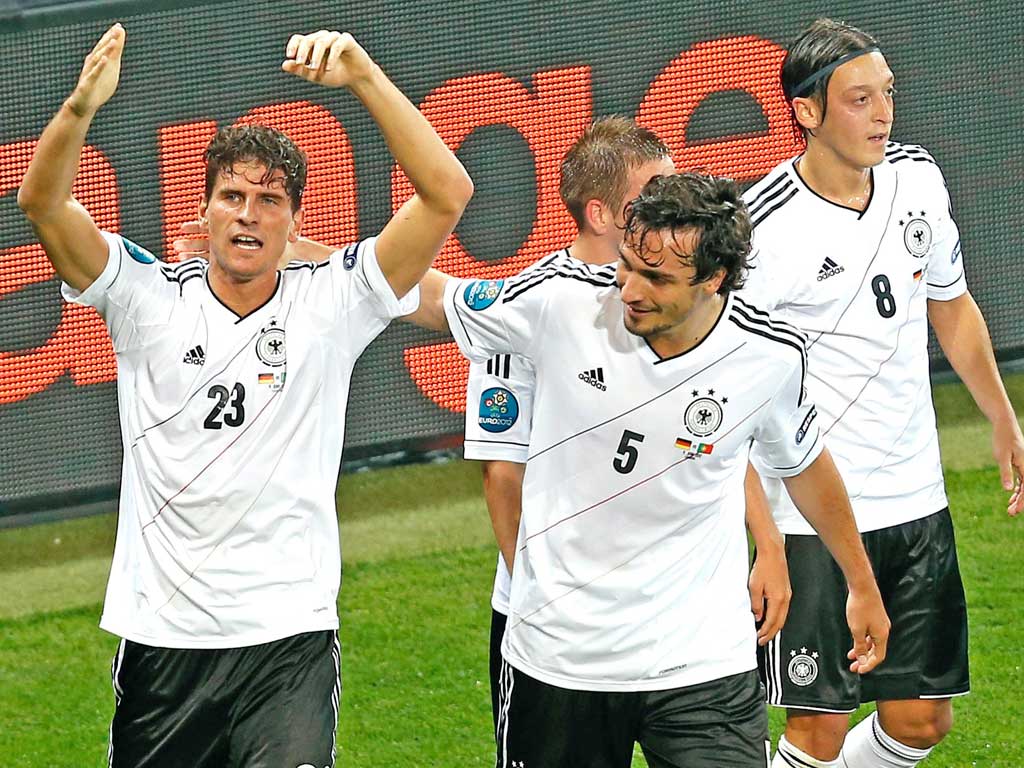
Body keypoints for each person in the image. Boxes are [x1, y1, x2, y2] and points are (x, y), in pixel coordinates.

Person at [17, 24, 472, 767]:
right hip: (165, 644)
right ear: (204, 212)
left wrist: (361, 75)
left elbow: (448, 192)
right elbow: (42, 203)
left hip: (287, 643)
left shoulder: (336, 300)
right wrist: (77, 111)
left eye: (269, 199)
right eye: (231, 195)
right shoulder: (144, 298)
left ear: (294, 222)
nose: (249, 213)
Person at [418, 171, 889, 767]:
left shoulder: (768, 356)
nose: (629, 290)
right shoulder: (561, 302)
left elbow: (804, 466)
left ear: (715, 279)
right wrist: (305, 261)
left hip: (703, 664)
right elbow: (429, 295)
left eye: (657, 278)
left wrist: (861, 583)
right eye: (626, 265)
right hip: (563, 661)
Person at [740, 18, 1024, 768]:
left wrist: (1002, 415)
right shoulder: (759, 231)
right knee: (817, 731)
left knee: (922, 720)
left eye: (887, 95)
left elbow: (951, 303)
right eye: (859, 100)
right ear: (807, 112)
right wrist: (765, 540)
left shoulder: (918, 179)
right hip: (809, 513)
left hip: (915, 495)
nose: (883, 114)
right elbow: (724, 389)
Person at [456, 117, 793, 739]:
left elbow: (710, 437)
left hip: (681, 641)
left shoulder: (688, 298)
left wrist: (766, 539)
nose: (675, 202)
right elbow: (504, 476)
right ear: (603, 214)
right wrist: (552, 603)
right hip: (554, 628)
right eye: (655, 191)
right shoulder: (534, 308)